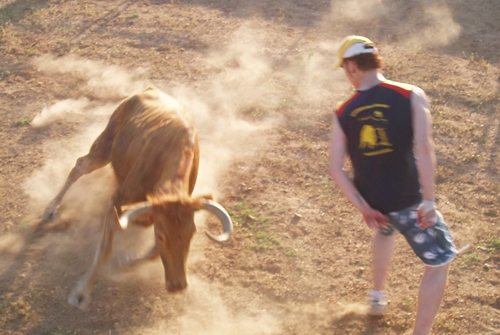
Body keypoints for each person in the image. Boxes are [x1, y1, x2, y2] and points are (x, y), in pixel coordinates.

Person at [328, 35, 457, 335]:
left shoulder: (343, 110)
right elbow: (424, 148)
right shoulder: (411, 94)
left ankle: (376, 296)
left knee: (385, 229)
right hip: (409, 200)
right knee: (439, 263)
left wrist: (363, 206)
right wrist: (428, 201)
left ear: (351, 67)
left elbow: (335, 168)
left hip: (375, 202)